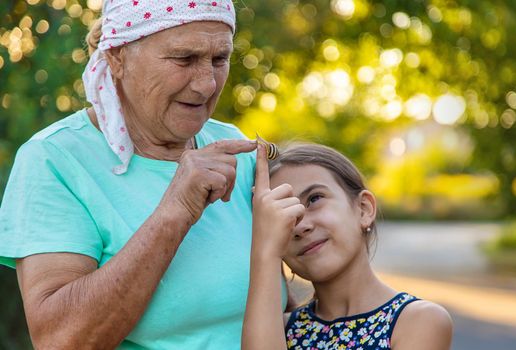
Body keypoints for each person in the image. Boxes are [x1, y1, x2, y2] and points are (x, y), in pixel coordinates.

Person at [0, 1, 270, 348]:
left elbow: (278, 303)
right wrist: (176, 211)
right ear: (117, 57)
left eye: (220, 59)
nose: (206, 84)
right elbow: (60, 340)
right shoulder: (55, 159)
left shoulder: (234, 147)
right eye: (184, 59)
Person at [242, 143, 453, 350]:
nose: (301, 226)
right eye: (283, 216)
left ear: (364, 209)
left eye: (314, 199)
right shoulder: (278, 329)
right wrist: (267, 252)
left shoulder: (418, 321)